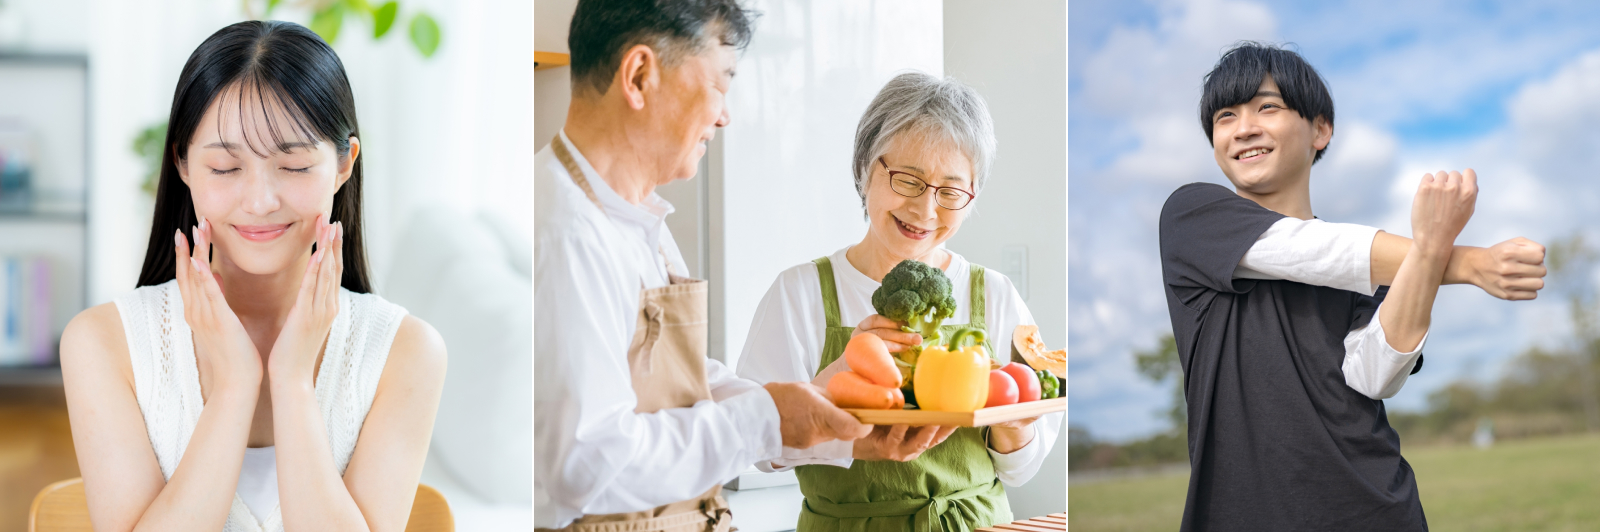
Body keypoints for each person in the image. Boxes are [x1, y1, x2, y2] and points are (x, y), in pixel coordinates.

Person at [60, 21, 447, 532]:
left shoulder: (406, 352)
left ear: (343, 164)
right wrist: (235, 386)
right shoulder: (104, 345)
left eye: (293, 166)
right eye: (224, 168)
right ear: (181, 162)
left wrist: (292, 384)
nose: (261, 201)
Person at [1159, 42, 1546, 530]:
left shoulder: (1374, 266)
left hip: (1375, 512)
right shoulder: (1192, 216)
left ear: (1320, 129)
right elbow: (1305, 250)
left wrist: (1428, 256)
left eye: (1267, 107)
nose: (1244, 129)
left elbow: (1375, 376)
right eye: (1225, 117)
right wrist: (1464, 261)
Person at [534, 1, 871, 530]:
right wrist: (765, 419)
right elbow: (587, 464)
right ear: (640, 75)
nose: (725, 114)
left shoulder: (634, 217)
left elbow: (679, 382)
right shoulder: (566, 235)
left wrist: (810, 407)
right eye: (720, 84)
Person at [736, 72, 1063, 531]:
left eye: (950, 191)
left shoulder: (993, 293)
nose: (926, 210)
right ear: (865, 168)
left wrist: (1012, 422)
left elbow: (1021, 470)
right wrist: (830, 387)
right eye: (908, 179)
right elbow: (757, 451)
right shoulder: (799, 292)